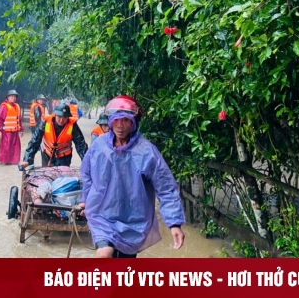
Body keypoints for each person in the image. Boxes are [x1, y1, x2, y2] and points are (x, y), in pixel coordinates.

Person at [76, 95, 186, 258]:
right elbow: (87, 174)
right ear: (110, 121)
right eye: (116, 120)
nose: (120, 126)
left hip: (133, 221)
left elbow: (166, 188)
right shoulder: (98, 146)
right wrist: (85, 199)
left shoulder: (147, 152)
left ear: (134, 122)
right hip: (102, 215)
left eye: (126, 120)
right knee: (104, 254)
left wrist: (174, 223)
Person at [21, 103, 88, 168]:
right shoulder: (45, 122)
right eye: (59, 117)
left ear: (68, 117)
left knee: (63, 177)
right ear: (55, 115)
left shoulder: (72, 125)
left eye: (65, 117)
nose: (61, 120)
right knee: (47, 176)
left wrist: (86, 161)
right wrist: (27, 159)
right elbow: (35, 141)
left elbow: (81, 144)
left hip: (64, 157)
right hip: (47, 154)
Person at [0, 90, 24, 165]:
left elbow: (19, 119)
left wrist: (21, 129)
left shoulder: (17, 106)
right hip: (6, 132)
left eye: (15, 97)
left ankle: (13, 161)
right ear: (8, 97)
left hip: (15, 131)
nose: (13, 98)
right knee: (6, 147)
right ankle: (4, 161)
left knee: (16, 147)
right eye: (12, 96)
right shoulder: (4, 106)